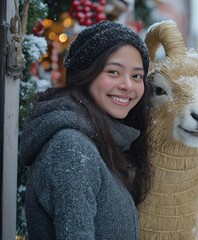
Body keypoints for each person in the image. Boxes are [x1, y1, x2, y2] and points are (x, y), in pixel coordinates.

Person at [19, 21, 152, 239]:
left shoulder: (103, 143)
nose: (128, 85)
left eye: (137, 76)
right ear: (85, 74)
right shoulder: (71, 149)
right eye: (114, 72)